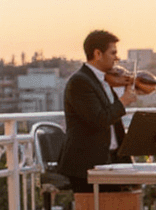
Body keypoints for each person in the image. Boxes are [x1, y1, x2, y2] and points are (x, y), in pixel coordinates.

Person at [58, 30, 138, 193]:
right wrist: (123, 101)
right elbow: (98, 119)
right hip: (88, 164)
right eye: (113, 53)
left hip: (110, 162)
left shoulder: (103, 81)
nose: (117, 58)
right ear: (97, 54)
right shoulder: (80, 82)